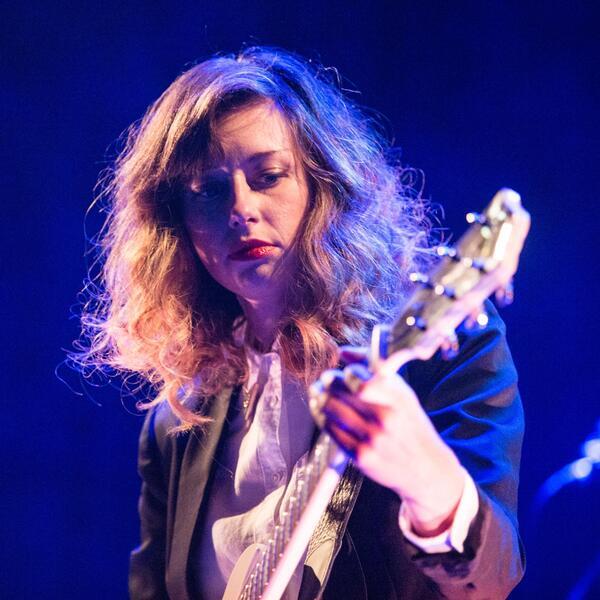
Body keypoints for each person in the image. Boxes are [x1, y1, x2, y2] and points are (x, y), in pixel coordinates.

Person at [75, 47, 525, 598]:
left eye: (268, 176)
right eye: (209, 191)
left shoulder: (446, 345)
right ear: (178, 225)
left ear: (323, 186)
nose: (240, 209)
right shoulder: (177, 422)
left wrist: (424, 475)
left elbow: (495, 575)